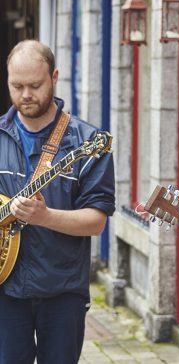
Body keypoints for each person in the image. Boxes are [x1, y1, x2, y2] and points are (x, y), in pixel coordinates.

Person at [0, 40, 115, 364]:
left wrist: (45, 216)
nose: (25, 95)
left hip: (63, 290)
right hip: (5, 289)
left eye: (35, 85)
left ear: (55, 77)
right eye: (16, 86)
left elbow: (96, 220)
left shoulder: (89, 142)